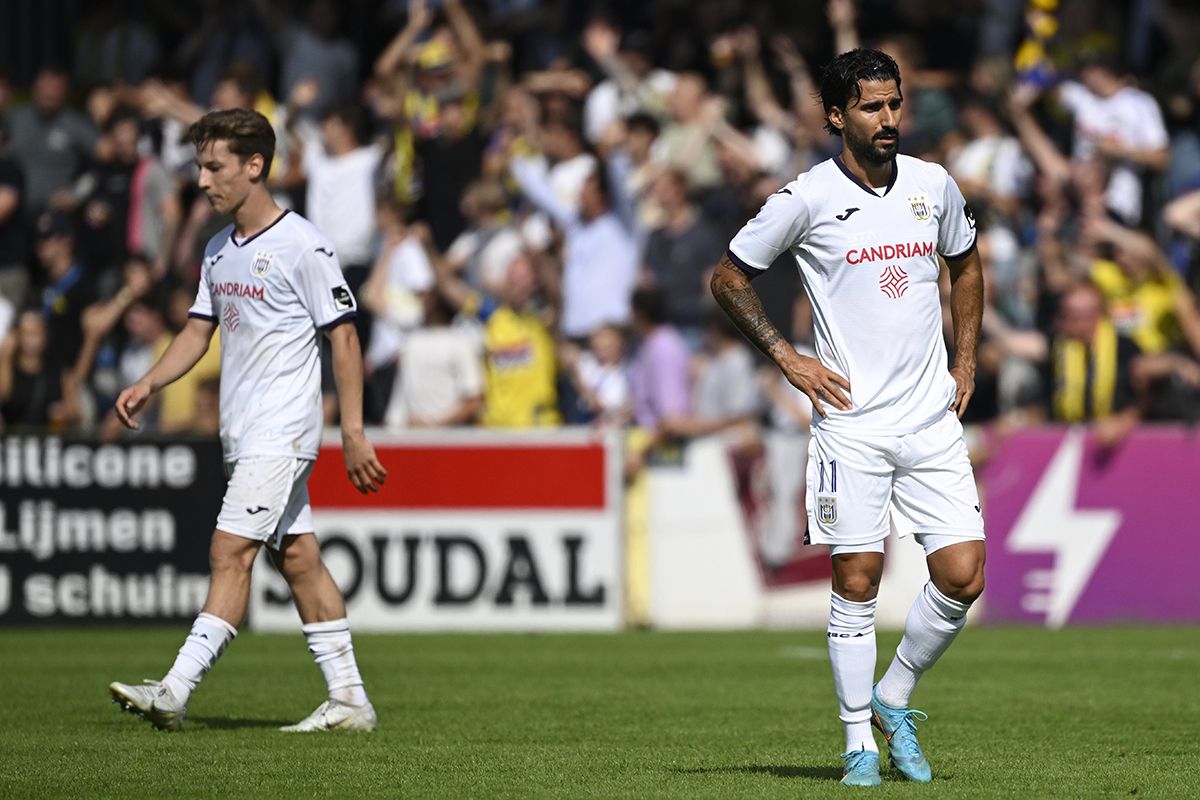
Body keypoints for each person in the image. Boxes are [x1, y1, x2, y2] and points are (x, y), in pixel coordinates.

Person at [711, 49, 986, 786]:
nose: (889, 118)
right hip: (852, 423)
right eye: (871, 106)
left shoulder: (933, 185)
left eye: (895, 104)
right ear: (836, 116)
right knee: (858, 577)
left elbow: (965, 262)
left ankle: (893, 697)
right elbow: (729, 277)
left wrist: (965, 360)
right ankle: (858, 740)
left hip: (929, 417)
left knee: (963, 575)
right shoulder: (804, 199)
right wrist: (786, 357)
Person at [107, 108, 388, 733]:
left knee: (229, 552)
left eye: (214, 167)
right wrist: (150, 380)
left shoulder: (303, 244)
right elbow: (197, 331)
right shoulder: (217, 249)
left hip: (282, 429)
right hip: (244, 431)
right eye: (200, 167)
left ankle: (174, 690)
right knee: (299, 559)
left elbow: (344, 339)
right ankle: (349, 701)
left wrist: (352, 431)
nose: (203, 181)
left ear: (254, 166)